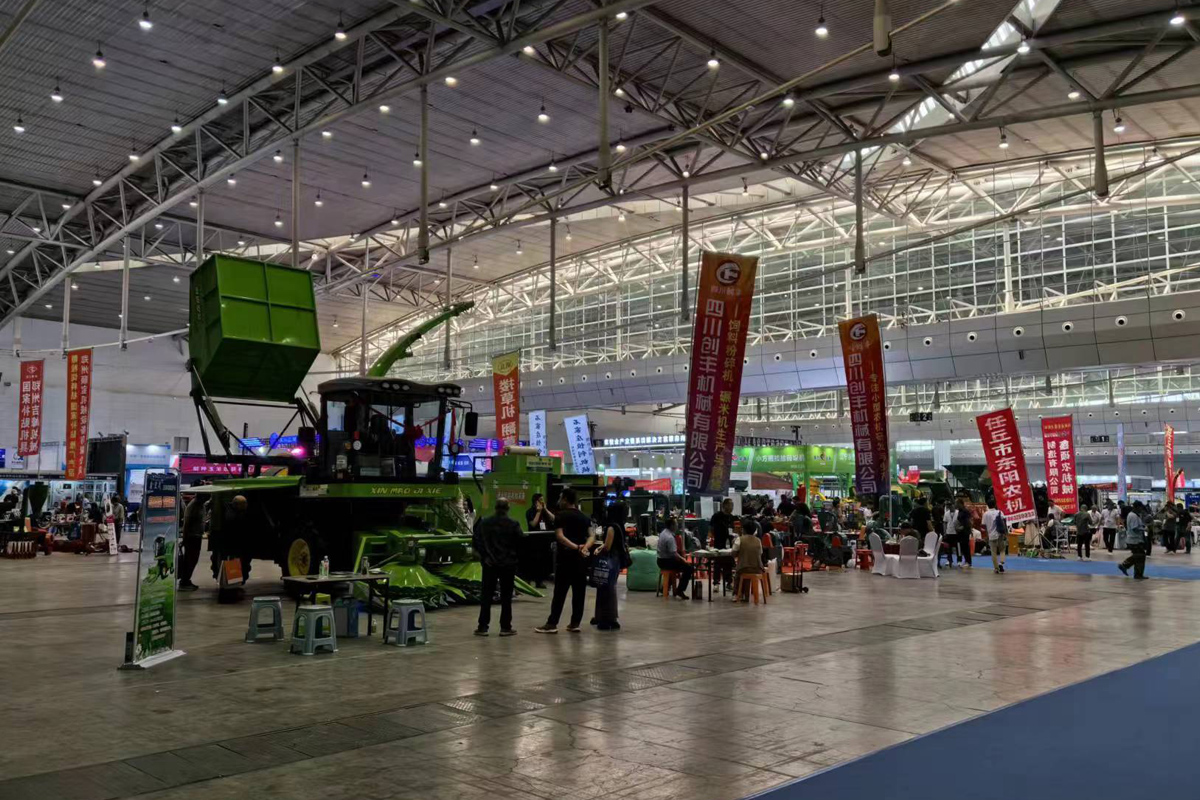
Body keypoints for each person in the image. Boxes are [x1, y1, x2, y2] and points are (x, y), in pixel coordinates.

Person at [535, 488, 594, 634]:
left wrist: (575, 547)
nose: (559, 501)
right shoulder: (584, 517)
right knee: (579, 593)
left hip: (565, 560)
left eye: (561, 498)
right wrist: (584, 547)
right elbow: (592, 536)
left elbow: (560, 536)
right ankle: (575, 623)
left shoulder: (561, 515)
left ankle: (552, 623)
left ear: (566, 499)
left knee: (560, 593)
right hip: (581, 560)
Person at [474, 498, 522, 636]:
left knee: (486, 596)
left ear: (495, 507)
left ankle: (483, 627)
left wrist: (485, 557)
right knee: (506, 597)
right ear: (508, 508)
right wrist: (515, 559)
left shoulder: (484, 523)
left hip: (490, 564)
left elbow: (477, 541)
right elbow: (520, 543)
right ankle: (505, 627)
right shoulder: (513, 524)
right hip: (508, 564)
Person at [592, 501, 630, 630]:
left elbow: (607, 546)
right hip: (616, 561)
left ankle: (604, 619)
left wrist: (598, 550)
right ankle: (612, 618)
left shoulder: (611, 527)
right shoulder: (620, 527)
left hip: (609, 561)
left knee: (604, 589)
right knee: (611, 589)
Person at [655, 516, 693, 599]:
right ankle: (680, 590)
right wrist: (683, 560)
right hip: (667, 561)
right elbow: (674, 554)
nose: (677, 526)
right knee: (688, 568)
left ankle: (665, 587)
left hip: (660, 560)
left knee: (678, 566)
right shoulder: (670, 537)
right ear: (672, 526)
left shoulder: (663, 533)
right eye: (676, 524)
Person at [523, 493, 556, 589]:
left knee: (542, 561)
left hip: (544, 539)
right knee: (532, 560)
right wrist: (538, 512)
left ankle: (539, 581)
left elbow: (554, 519)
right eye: (540, 500)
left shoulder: (545, 511)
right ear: (535, 501)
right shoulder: (530, 512)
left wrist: (545, 509)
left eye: (543, 500)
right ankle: (528, 580)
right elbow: (533, 524)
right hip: (534, 539)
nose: (542, 502)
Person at [177, 492, 206, 591]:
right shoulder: (193, 505)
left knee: (193, 560)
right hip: (191, 537)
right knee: (190, 560)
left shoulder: (201, 504)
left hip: (197, 536)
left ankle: (186, 580)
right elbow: (186, 523)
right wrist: (185, 539)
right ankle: (184, 582)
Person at [731, 518, 764, 601]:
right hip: (758, 568)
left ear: (743, 530)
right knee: (747, 571)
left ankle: (737, 594)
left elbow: (733, 553)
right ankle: (746, 595)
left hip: (744, 567)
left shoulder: (740, 539)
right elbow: (760, 553)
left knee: (738, 573)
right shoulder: (758, 540)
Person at [1118, 501, 1149, 579]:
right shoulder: (1133, 516)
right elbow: (1134, 528)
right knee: (1139, 556)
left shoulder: (1133, 515)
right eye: (1141, 507)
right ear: (1137, 507)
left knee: (1140, 556)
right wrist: (1144, 529)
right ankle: (1125, 565)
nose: (1141, 509)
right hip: (1134, 540)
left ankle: (1137, 574)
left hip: (1135, 539)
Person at [982, 498, 1007, 573]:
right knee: (1002, 550)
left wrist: (986, 536)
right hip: (1000, 534)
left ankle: (996, 568)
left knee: (993, 552)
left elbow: (983, 526)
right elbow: (1004, 522)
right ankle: (1001, 563)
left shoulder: (985, 514)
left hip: (991, 535)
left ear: (988, 505)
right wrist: (1005, 533)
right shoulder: (999, 512)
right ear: (995, 504)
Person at [952, 498, 973, 568]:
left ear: (960, 504)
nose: (955, 505)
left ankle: (968, 562)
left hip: (965, 532)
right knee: (963, 547)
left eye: (956, 503)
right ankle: (966, 561)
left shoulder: (965, 511)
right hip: (961, 532)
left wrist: (961, 528)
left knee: (966, 547)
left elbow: (967, 523)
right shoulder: (959, 511)